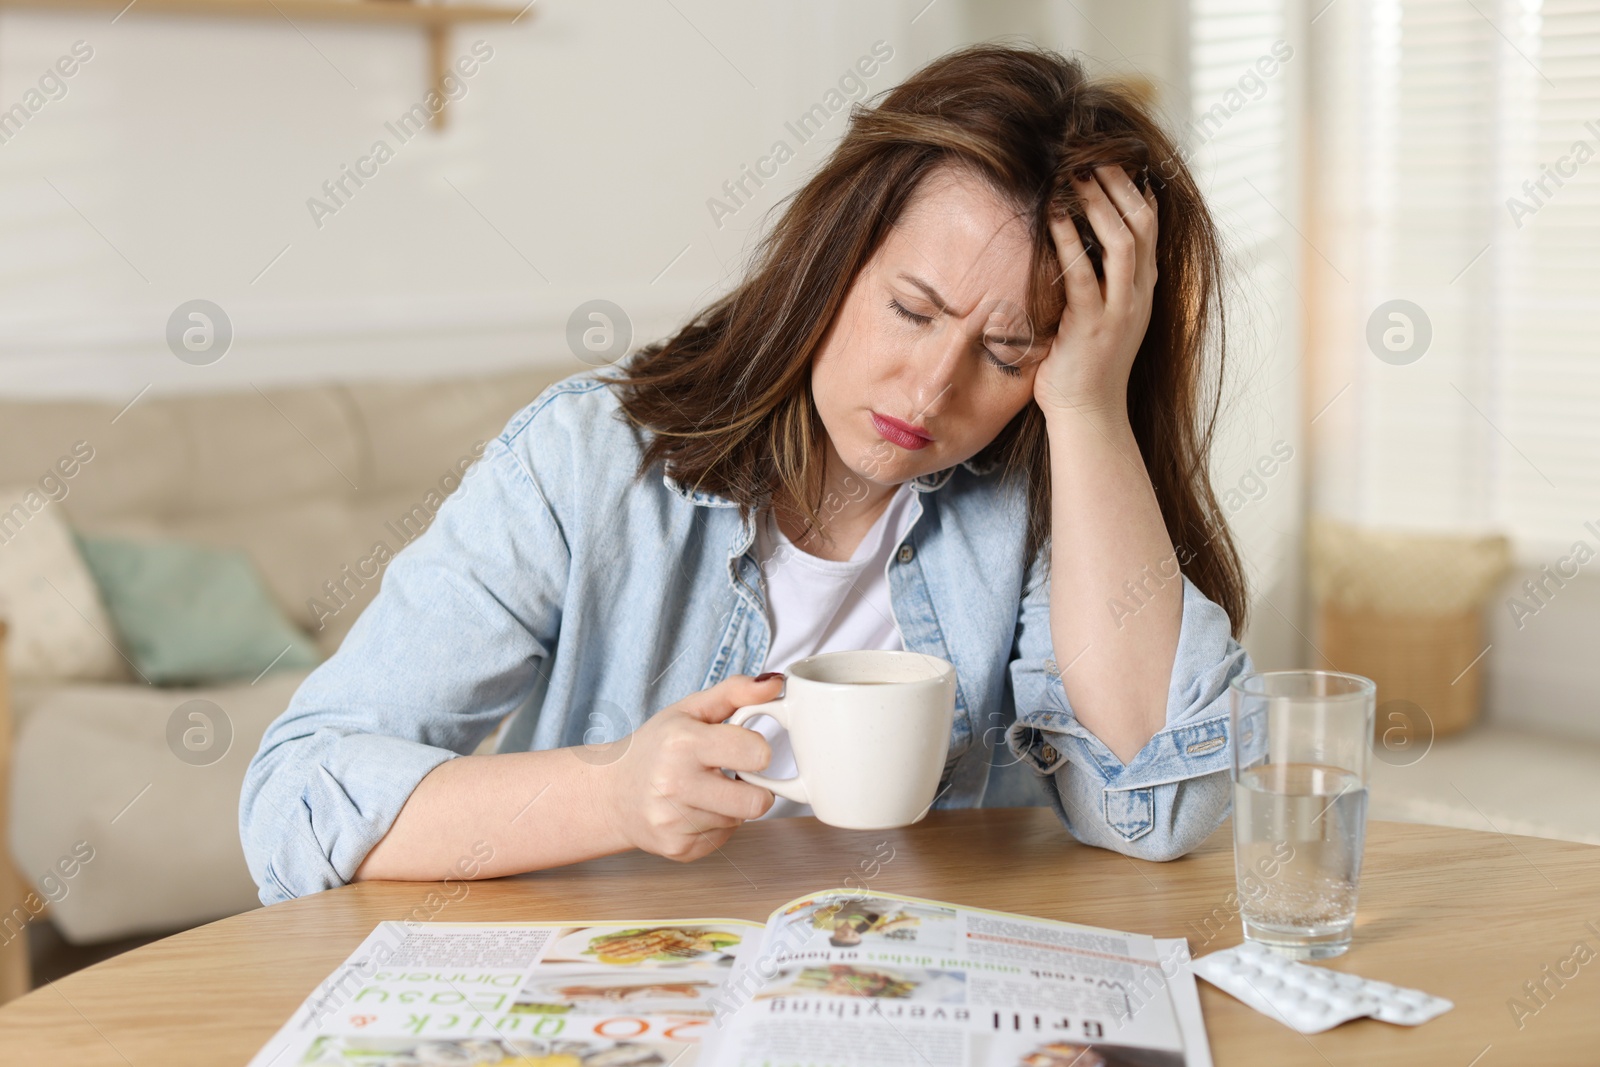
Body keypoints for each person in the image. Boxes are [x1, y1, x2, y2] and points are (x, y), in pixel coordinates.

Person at [239, 42, 1252, 904]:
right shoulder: (584, 463)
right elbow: (298, 800)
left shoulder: (1043, 506)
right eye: (911, 310)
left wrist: (1085, 408)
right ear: (831, 259)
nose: (930, 387)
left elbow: (1155, 806)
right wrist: (614, 792)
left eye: (1006, 352)